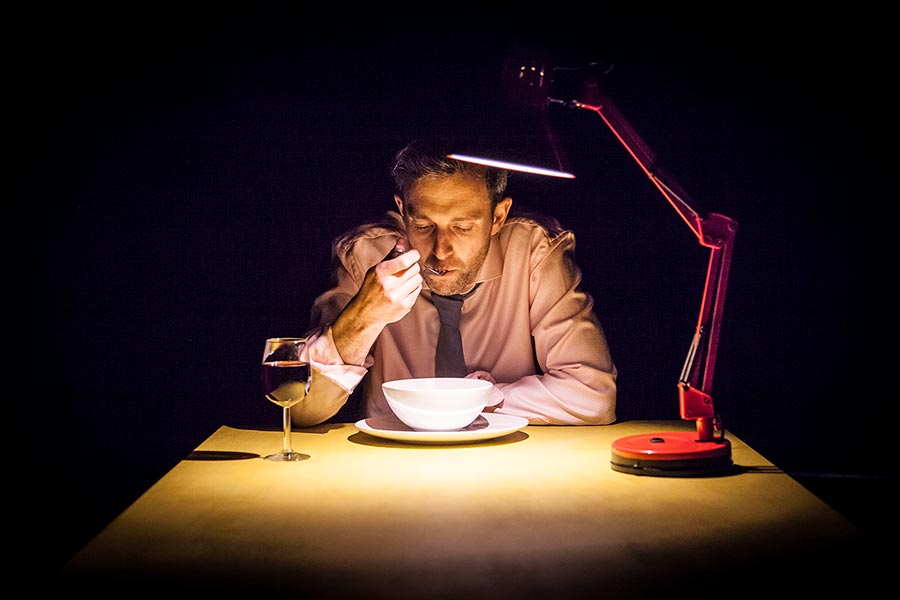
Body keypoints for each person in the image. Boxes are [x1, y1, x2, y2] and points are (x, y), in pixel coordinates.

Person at [292, 136, 617, 427]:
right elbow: (299, 408)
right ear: (402, 210)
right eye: (423, 226)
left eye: (462, 228)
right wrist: (363, 316)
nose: (440, 251)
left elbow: (592, 395)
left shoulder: (535, 251)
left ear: (498, 217)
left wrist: (478, 399)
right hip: (388, 461)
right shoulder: (362, 255)